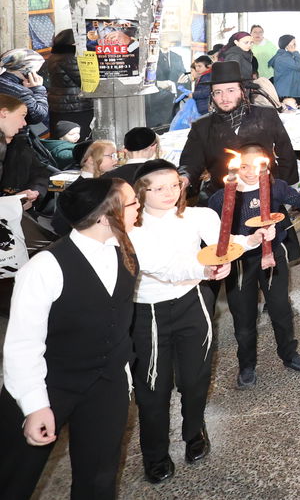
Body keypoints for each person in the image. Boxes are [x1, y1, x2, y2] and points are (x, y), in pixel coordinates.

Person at [0, 177, 140, 500]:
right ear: (105, 215)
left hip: (106, 384)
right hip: (51, 381)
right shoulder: (45, 268)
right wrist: (35, 406)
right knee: (14, 475)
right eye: (132, 203)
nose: (138, 208)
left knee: (99, 476)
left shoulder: (125, 245)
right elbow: (23, 345)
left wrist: (205, 271)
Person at [127, 160, 234, 483]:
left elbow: (226, 243)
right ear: (141, 192)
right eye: (158, 188)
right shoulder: (132, 227)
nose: (169, 193)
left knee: (195, 377)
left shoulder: (199, 215)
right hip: (150, 310)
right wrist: (205, 271)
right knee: (153, 387)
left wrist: (257, 237)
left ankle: (194, 432)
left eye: (174, 184)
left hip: (193, 302)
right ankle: (155, 453)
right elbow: (161, 267)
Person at [205, 145, 300, 389]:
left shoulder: (276, 187)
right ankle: (246, 365)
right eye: (244, 166)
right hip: (241, 262)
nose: (251, 172)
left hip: (272, 256)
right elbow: (211, 232)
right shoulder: (221, 197)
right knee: (244, 316)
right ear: (234, 167)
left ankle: (288, 353)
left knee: (280, 308)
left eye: (257, 166)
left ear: (266, 166)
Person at [178, 61, 297, 197]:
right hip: (223, 195)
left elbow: (286, 153)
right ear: (212, 96)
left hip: (265, 192)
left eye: (230, 90)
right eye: (218, 92)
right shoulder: (202, 126)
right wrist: (184, 178)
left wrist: (282, 189)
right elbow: (190, 162)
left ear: (242, 91)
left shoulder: (266, 115)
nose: (224, 98)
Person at [42, 30, 91, 139]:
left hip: (60, 104)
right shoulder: (69, 58)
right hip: (75, 106)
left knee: (61, 138)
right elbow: (85, 81)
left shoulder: (55, 56)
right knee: (77, 140)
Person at [0, 48, 49, 133]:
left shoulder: (4, 81)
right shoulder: (18, 90)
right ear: (27, 70)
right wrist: (38, 89)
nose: (36, 74)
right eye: (35, 71)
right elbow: (37, 115)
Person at [270, 35, 300, 107]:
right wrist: (295, 52)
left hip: (290, 91)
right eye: (293, 44)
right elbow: (299, 66)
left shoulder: (287, 56)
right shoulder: (283, 57)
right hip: (287, 93)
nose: (295, 46)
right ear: (286, 45)